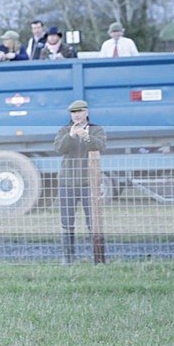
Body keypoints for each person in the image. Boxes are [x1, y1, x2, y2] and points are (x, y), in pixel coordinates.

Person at [53, 100, 107, 264]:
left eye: (79, 111)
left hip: (89, 184)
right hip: (67, 183)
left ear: (86, 112)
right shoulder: (64, 130)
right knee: (67, 221)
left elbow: (100, 145)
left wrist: (86, 137)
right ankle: (68, 258)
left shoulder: (97, 129)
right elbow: (59, 149)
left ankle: (98, 258)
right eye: (73, 112)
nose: (76, 115)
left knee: (93, 222)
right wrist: (71, 136)